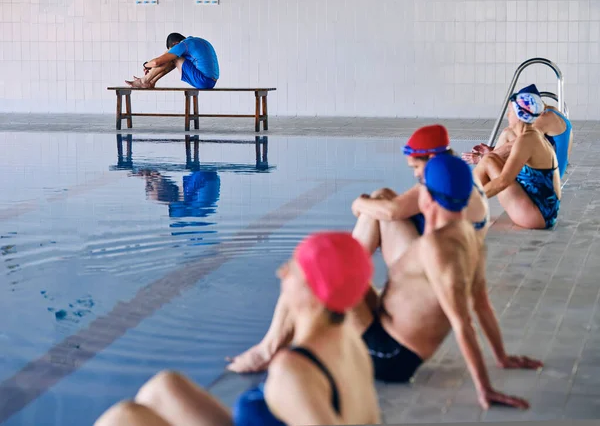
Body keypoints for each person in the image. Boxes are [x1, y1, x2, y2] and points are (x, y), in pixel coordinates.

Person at [228, 154, 543, 411]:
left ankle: (270, 349)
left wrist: (485, 388)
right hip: (387, 329)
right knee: (334, 264)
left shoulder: (437, 249)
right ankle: (278, 342)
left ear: (428, 197)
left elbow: (462, 323)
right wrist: (501, 357)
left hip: (389, 356)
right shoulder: (469, 238)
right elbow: (482, 305)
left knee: (308, 269)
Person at [94, 232, 381, 426]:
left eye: (292, 269)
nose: (281, 273)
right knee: (165, 385)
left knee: (126, 416)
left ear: (314, 294)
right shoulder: (349, 341)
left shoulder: (292, 370)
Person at [350, 124, 490, 269]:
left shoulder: (442, 179)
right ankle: (347, 269)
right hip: (455, 255)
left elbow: (392, 211)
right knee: (382, 195)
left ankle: (345, 272)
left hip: (438, 267)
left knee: (378, 209)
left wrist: (358, 203)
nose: (415, 174)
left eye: (416, 167)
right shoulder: (457, 170)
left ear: (431, 157)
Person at [472, 89, 562, 230]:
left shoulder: (527, 140)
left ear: (520, 115)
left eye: (510, 111)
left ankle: (465, 207)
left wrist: (470, 200)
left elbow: (503, 182)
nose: (508, 115)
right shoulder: (532, 135)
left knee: (488, 161)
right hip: (545, 212)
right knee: (490, 159)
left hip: (538, 215)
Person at [462, 84, 572, 179]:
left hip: (550, 176)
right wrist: (493, 150)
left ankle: (484, 169)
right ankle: (488, 163)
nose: (509, 114)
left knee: (508, 133)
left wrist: (483, 158)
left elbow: (520, 143)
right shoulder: (549, 111)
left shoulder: (545, 118)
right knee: (510, 133)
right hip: (550, 166)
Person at [126, 32, 219, 89]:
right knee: (171, 58)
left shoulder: (183, 45)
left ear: (176, 43)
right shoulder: (195, 41)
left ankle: (144, 81)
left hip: (203, 80)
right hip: (211, 81)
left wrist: (146, 65)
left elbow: (156, 62)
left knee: (173, 57)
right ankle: (150, 82)